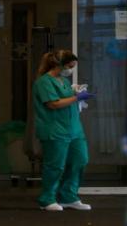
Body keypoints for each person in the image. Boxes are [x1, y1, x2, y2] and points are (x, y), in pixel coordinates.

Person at [33, 50, 94, 211]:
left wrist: (76, 92)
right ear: (58, 64)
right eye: (70, 66)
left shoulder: (64, 81)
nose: (71, 69)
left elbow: (67, 98)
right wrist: (77, 98)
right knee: (55, 165)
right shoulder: (44, 82)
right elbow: (53, 104)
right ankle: (47, 199)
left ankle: (68, 196)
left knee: (80, 160)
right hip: (54, 129)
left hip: (74, 129)